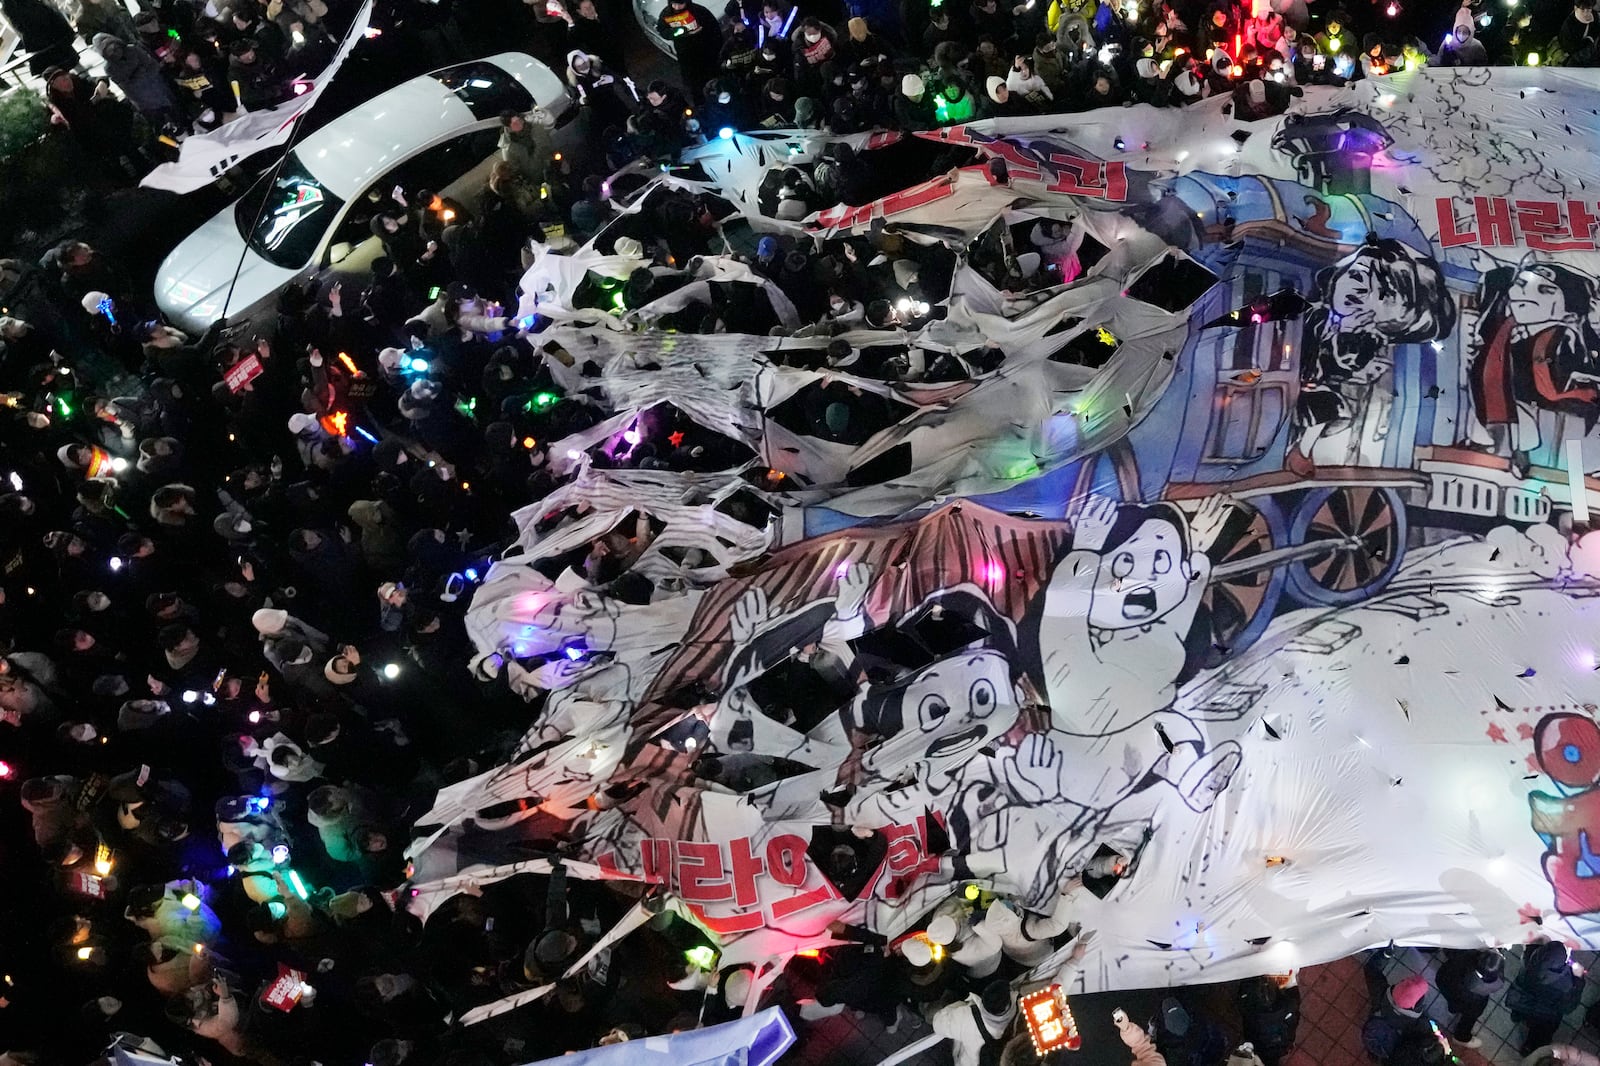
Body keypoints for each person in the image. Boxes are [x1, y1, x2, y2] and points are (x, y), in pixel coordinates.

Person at [1287, 239, 1455, 477]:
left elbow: (1344, 364)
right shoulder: (1313, 313)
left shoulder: (1362, 339)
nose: (1360, 290)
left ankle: (1300, 451)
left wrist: (1349, 344)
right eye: (1357, 275)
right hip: (1287, 378)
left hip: (1310, 385)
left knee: (1328, 410)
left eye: (1384, 294)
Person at [1506, 941, 1584, 1055]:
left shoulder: (1530, 959)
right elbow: (1569, 1007)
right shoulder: (1566, 984)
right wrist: (1579, 979)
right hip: (1545, 1015)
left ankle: (1516, 1017)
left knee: (1520, 1012)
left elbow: (1529, 948)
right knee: (1541, 1033)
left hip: (1522, 1001)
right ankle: (1531, 1047)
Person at [1435, 948, 1504, 1049]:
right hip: (1467, 1000)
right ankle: (1461, 1037)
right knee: (1470, 1016)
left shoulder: (1466, 955)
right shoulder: (1493, 985)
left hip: (1445, 979)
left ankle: (1452, 1008)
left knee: (1453, 1001)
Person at [656, 0, 722, 102]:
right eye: (674, 4)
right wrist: (677, 32)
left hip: (706, 52)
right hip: (686, 56)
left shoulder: (698, 11)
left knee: (714, 79)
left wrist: (717, 49)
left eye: (680, 3)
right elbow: (663, 31)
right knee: (695, 85)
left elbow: (714, 29)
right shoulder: (666, 14)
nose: (677, 7)